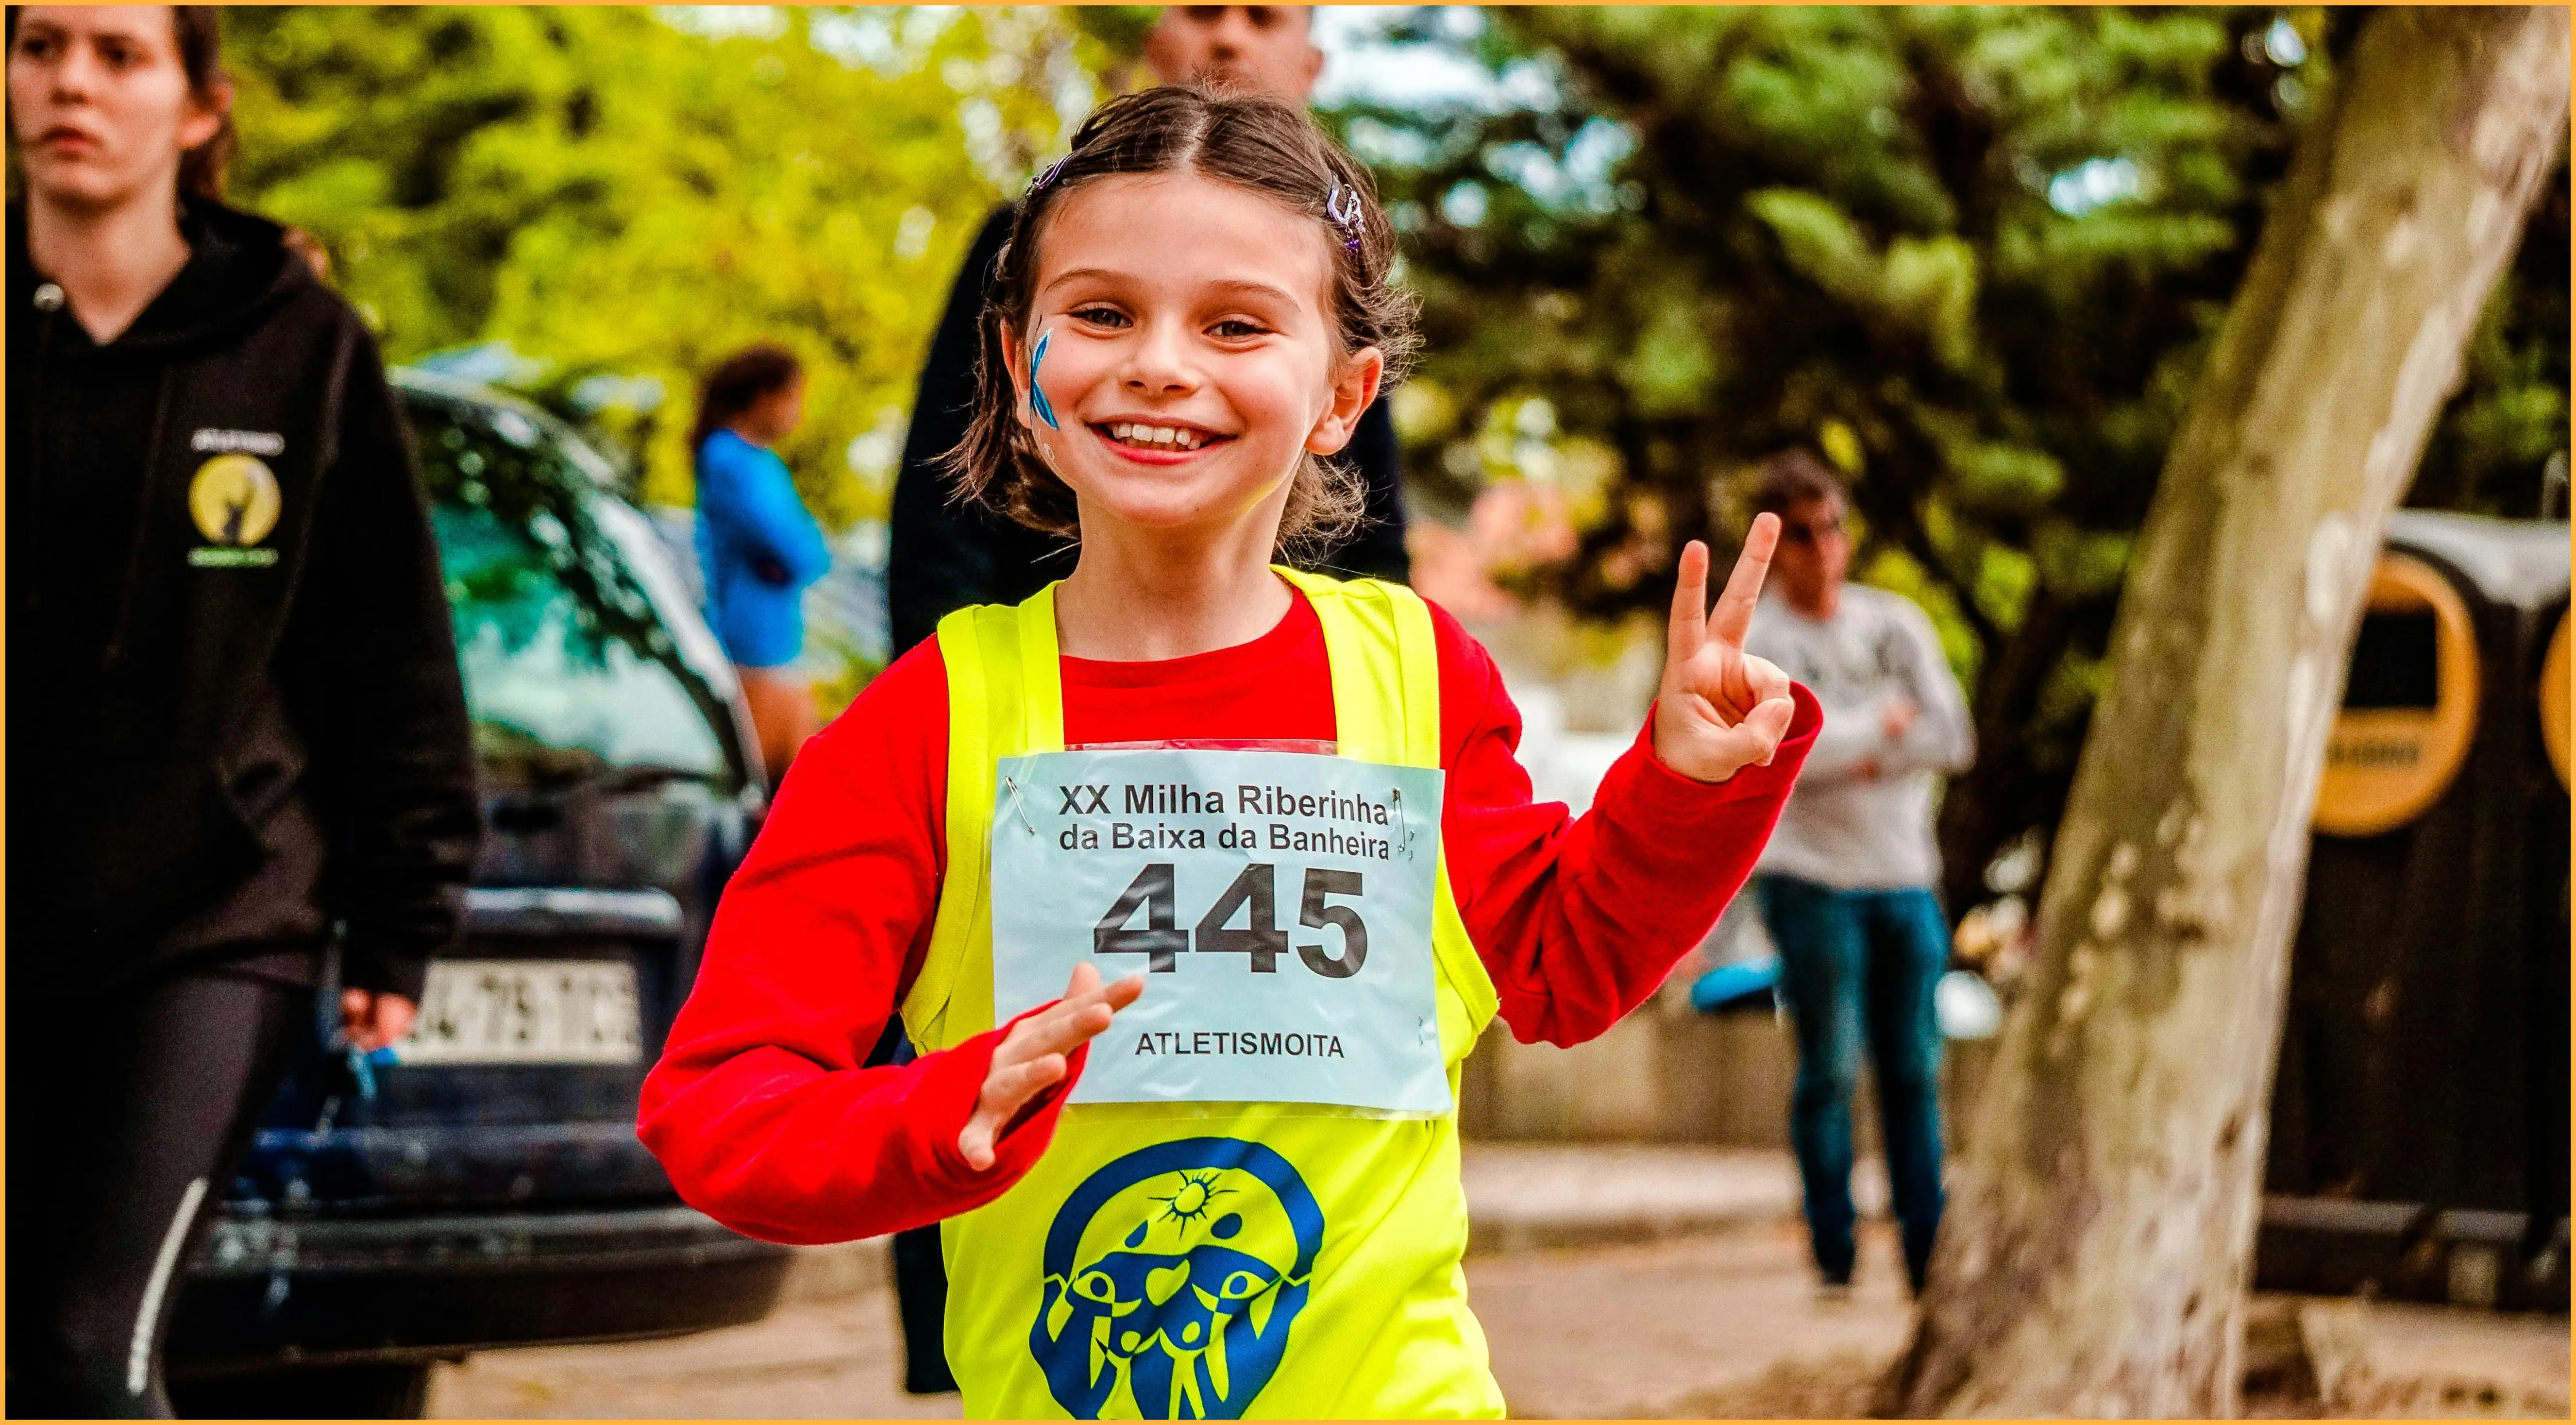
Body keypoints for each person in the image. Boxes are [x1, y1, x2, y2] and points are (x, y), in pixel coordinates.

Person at [640, 85, 1819, 1419]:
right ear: (1021, 373)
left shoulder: (1420, 675)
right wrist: (934, 1114)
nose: (1158, 362)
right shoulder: (928, 718)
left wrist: (1691, 784)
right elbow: (723, 1105)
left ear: (1341, 394)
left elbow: (1560, 964)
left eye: (1236, 324)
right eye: (1101, 313)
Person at [5, 7, 481, 1413]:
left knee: (94, 1351)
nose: (70, 82)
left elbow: (385, 645)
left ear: (199, 110)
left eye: (117, 54)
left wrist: (403, 910)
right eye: (39, 47)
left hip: (213, 917)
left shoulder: (300, 344)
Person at [886, 5, 1407, 662]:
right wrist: (946, 685)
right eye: (1104, 314)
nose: (1227, 36)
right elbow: (944, 488)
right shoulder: (1023, 242)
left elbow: (1378, 519)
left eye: (1237, 326)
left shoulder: (1337, 272)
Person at [1736, 449, 1975, 1299]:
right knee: (1830, 1070)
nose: (1823, 546)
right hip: (1811, 880)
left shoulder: (1895, 622)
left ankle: (1926, 1256)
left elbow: (1953, 736)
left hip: (1904, 878)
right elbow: (1775, 756)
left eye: (1832, 525)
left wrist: (1841, 739)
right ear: (1778, 545)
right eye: (1802, 533)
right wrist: (1878, 728)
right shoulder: (1762, 639)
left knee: (1914, 1071)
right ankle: (1835, 1254)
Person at [690, 343, 833, 783]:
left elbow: (807, 555)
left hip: (778, 646)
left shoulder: (761, 463)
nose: (798, 413)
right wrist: (795, 554)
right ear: (763, 397)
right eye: (793, 398)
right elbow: (795, 547)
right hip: (751, 652)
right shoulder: (728, 458)